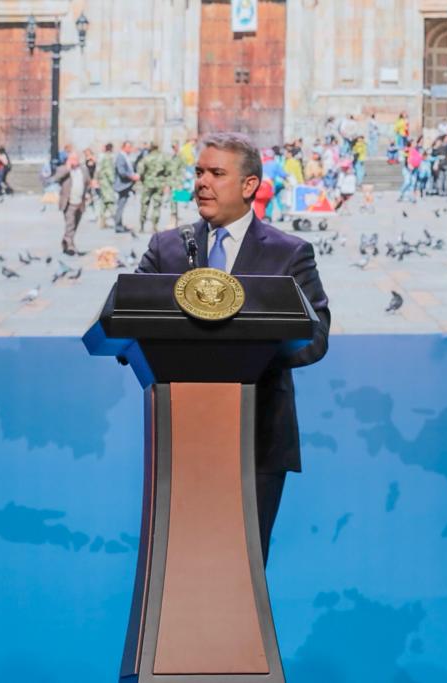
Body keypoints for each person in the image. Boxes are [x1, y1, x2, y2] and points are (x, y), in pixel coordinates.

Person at [135, 131, 330, 566]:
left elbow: (316, 339)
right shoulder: (166, 249)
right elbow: (127, 325)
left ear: (249, 186)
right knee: (180, 569)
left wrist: (243, 353)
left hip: (258, 439)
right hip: (182, 440)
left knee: (241, 570)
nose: (202, 182)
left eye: (216, 173)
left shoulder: (289, 253)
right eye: (199, 172)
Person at [51, 152, 91, 255]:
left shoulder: (83, 169)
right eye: (72, 159)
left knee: (75, 225)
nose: (75, 161)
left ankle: (66, 242)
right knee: (70, 224)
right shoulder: (63, 169)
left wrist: (88, 193)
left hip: (80, 202)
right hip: (68, 203)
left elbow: (87, 182)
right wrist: (67, 168)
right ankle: (70, 246)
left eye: (76, 159)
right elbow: (55, 178)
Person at [136, 142, 170, 233]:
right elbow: (168, 171)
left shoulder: (146, 158)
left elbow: (140, 171)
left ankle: (142, 226)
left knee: (145, 204)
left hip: (148, 184)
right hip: (159, 184)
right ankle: (154, 226)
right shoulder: (163, 158)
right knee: (157, 205)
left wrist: (143, 180)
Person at [112, 140, 139, 233]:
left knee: (121, 205)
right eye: (128, 147)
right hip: (122, 185)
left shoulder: (125, 156)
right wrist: (132, 176)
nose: (130, 149)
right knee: (120, 206)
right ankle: (118, 226)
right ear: (123, 147)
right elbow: (122, 171)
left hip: (126, 185)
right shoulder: (120, 157)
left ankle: (119, 224)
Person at [94, 143, 116, 229]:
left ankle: (102, 221)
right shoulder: (108, 157)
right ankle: (116, 220)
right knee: (109, 200)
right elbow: (108, 171)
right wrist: (113, 181)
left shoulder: (102, 157)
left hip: (103, 182)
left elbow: (98, 169)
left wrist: (96, 179)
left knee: (104, 201)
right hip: (106, 183)